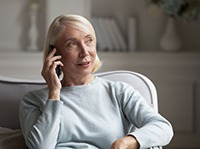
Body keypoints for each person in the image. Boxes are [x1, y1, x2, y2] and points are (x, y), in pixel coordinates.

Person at [19, 14, 173, 149]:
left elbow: (163, 127)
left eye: (89, 41)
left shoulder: (119, 92)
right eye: (72, 44)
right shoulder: (32, 101)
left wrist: (126, 142)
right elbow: (41, 146)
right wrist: (54, 93)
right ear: (55, 53)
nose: (85, 52)